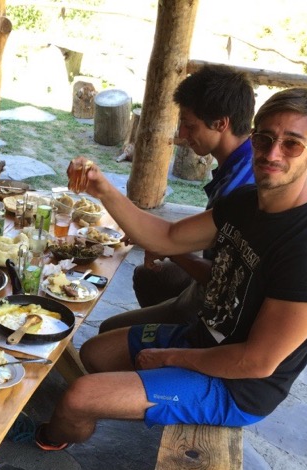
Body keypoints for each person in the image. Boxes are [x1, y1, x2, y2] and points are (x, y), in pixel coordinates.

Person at [36, 88, 307, 451]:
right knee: (95, 352)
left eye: (292, 144)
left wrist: (171, 359)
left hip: (237, 387)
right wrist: (103, 189)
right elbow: (168, 236)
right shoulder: (246, 202)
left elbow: (256, 362)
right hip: (203, 339)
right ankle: (146, 397)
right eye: (264, 138)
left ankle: (48, 439)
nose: (272, 153)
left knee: (79, 397)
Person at [99, 65, 255, 333]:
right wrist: (162, 242)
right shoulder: (241, 163)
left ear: (221, 124)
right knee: (149, 276)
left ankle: (178, 338)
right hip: (210, 280)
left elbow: (220, 279)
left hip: (221, 304)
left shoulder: (241, 188)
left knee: (109, 331)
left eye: (190, 125)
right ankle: (158, 335)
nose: (182, 134)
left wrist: (167, 246)